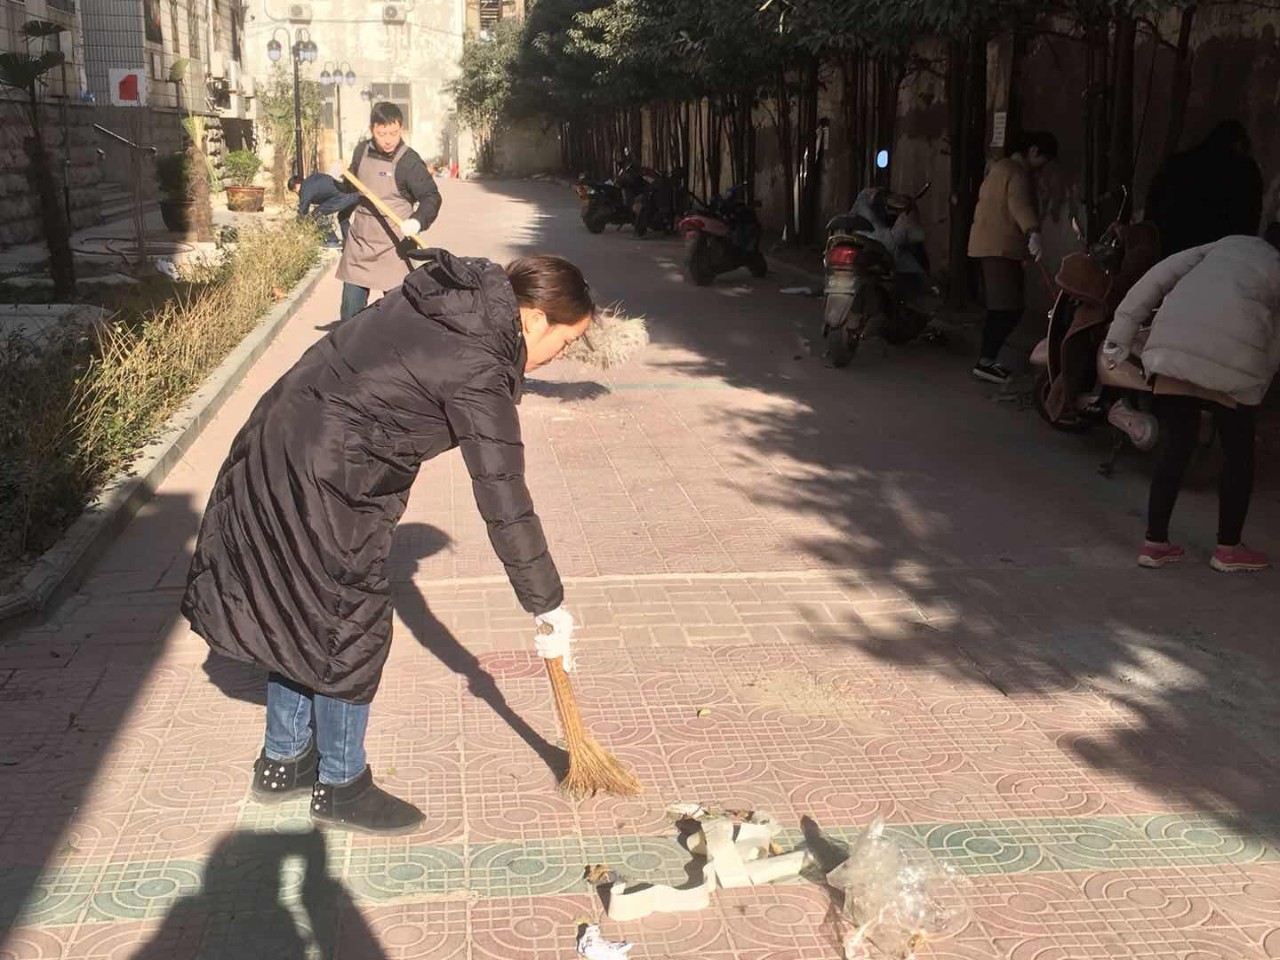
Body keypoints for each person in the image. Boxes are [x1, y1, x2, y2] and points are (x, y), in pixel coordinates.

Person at [181, 251, 594, 834]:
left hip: (280, 440)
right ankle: (341, 784)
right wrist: (547, 603)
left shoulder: (455, 303)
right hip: (327, 473)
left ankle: (284, 760)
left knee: (301, 607)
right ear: (533, 317)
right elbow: (504, 496)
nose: (559, 355)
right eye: (566, 341)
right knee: (348, 622)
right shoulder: (479, 362)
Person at [1105, 226, 1280, 573]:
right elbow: (1276, 340)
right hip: (1232, 366)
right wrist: (1257, 387)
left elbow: (1152, 282)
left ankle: (1155, 544)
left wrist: (1119, 338)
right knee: (1238, 455)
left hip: (1172, 353)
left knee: (1176, 445)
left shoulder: (1216, 247)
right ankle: (1228, 549)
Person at [335, 102, 442, 322]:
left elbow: (431, 197)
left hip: (395, 247)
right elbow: (351, 187)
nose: (388, 140)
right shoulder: (361, 152)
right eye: (381, 134)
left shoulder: (409, 162)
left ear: (400, 128)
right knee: (349, 314)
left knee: (398, 317)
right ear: (372, 130)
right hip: (361, 245)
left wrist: (417, 221)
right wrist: (339, 178)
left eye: (393, 133)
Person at [968, 130, 1060, 384]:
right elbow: (1020, 205)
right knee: (1006, 309)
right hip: (1000, 249)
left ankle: (987, 360)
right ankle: (985, 362)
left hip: (991, 247)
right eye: (1043, 160)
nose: (1042, 168)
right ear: (1033, 151)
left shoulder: (1000, 168)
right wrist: (1033, 232)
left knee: (1003, 308)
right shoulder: (1017, 173)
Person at [1146, 119, 1263, 257]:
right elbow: (1249, 221)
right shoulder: (1245, 174)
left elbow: (1153, 208)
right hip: (1216, 254)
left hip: (1171, 249)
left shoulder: (1177, 164)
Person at [289, 172, 360, 247]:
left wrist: (298, 227)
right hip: (352, 195)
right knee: (342, 217)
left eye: (295, 190)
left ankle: (332, 241)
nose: (297, 193)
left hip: (341, 197)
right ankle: (350, 243)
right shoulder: (312, 179)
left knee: (317, 214)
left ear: (297, 184)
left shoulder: (305, 188)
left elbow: (303, 210)